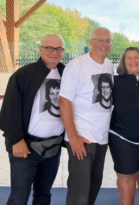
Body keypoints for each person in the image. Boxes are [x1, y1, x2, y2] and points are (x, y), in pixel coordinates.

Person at [0, 34, 65, 205]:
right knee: (19, 198)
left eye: (58, 48)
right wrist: (16, 140)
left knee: (44, 195)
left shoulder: (66, 73)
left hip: (53, 149)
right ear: (40, 49)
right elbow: (9, 110)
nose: (54, 52)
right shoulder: (24, 74)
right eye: (49, 48)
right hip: (26, 148)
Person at [59, 27, 114, 205]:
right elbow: (64, 102)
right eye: (100, 40)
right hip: (82, 137)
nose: (104, 44)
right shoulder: (77, 65)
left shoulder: (109, 65)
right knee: (79, 192)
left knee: (93, 188)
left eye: (108, 40)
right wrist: (73, 138)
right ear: (90, 42)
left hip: (101, 138)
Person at [109, 47, 139, 205]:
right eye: (129, 58)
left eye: (136, 57)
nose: (133, 60)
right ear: (123, 62)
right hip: (122, 137)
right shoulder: (114, 81)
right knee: (126, 176)